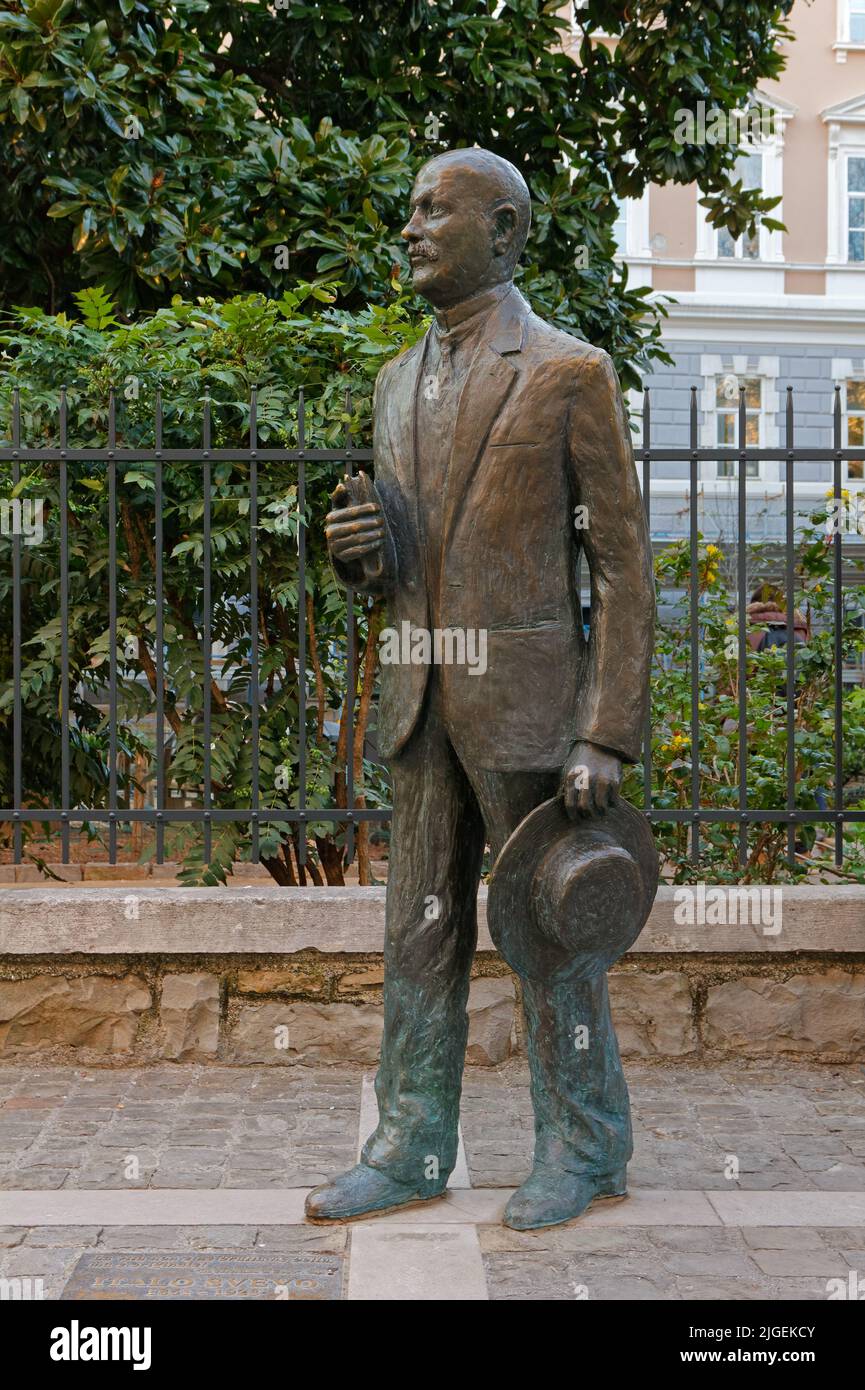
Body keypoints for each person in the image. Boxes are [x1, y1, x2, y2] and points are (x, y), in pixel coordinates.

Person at [311, 148, 655, 1230]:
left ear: (502, 231)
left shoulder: (567, 372)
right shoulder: (393, 381)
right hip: (421, 701)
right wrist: (361, 552)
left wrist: (606, 731)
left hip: (530, 710)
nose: (408, 229)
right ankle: (410, 1143)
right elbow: (406, 566)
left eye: (431, 211)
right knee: (416, 929)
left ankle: (586, 1145)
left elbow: (621, 568)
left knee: (551, 930)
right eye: (407, 210)